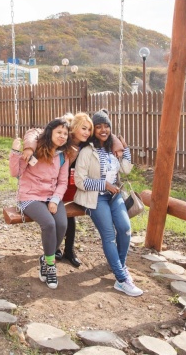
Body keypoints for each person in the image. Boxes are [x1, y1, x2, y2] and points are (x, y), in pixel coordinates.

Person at [22, 112, 124, 267]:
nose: (87, 132)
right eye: (83, 128)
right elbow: (34, 132)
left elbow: (107, 134)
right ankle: (54, 250)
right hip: (54, 181)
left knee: (69, 216)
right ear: (74, 128)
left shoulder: (86, 140)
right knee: (59, 216)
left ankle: (68, 250)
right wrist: (29, 147)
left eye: (88, 129)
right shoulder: (64, 137)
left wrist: (118, 144)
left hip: (72, 182)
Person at [73, 109, 143, 297]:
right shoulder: (87, 152)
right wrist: (104, 184)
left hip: (114, 197)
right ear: (93, 130)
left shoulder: (113, 148)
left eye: (106, 126)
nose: (103, 130)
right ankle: (121, 279)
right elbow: (80, 181)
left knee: (125, 229)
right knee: (109, 235)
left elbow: (126, 170)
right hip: (95, 197)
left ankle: (119, 266)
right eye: (98, 127)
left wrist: (125, 150)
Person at [9, 118, 70, 289]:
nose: (62, 136)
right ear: (50, 132)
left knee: (62, 225)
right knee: (49, 224)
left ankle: (46, 258)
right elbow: (15, 172)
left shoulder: (63, 155)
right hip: (30, 196)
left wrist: (55, 200)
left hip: (51, 196)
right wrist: (15, 152)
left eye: (65, 134)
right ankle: (50, 266)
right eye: (59, 132)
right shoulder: (35, 149)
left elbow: (63, 182)